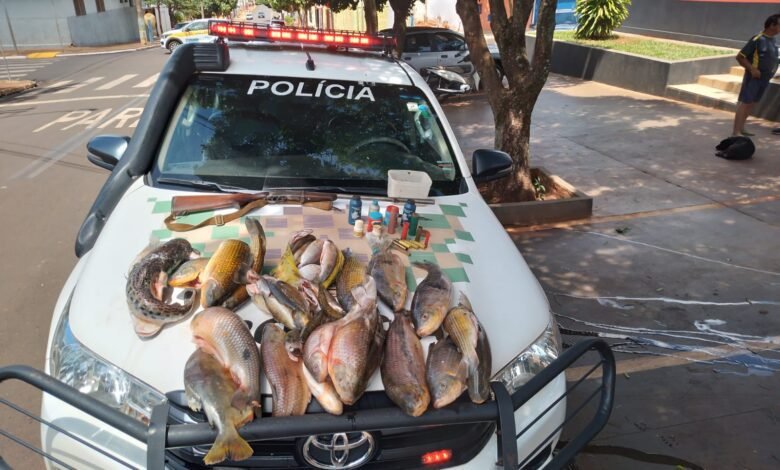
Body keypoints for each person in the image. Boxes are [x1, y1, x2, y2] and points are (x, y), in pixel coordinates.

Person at [732, 14, 780, 137]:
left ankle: (742, 128)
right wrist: (752, 69)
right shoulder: (757, 39)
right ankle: (736, 132)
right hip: (754, 78)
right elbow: (740, 57)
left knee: (752, 103)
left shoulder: (773, 40)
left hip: (765, 79)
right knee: (745, 103)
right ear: (772, 25)